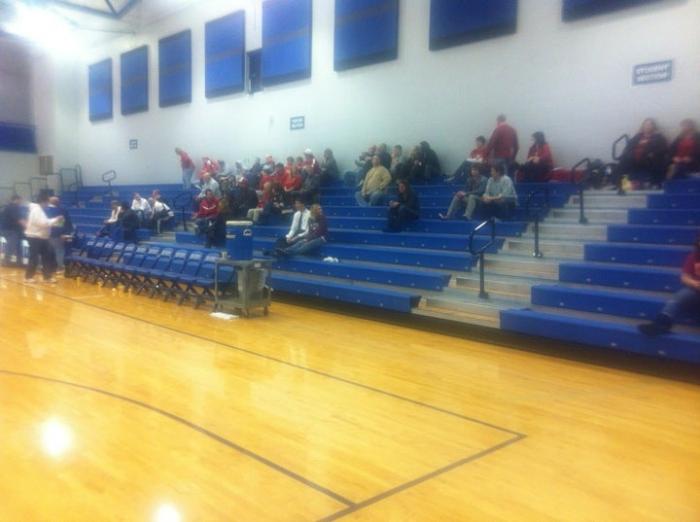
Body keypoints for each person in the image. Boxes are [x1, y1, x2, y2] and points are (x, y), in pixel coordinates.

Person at [639, 233, 700, 336]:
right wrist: (694, 283)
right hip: (696, 289)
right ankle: (661, 323)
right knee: (681, 296)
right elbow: (684, 277)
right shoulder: (694, 256)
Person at [24, 190, 63, 283]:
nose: (48, 204)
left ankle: (47, 277)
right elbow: (42, 223)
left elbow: (44, 223)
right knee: (34, 257)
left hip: (42, 237)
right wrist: (55, 220)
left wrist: (54, 222)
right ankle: (28, 277)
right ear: (43, 202)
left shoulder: (39, 210)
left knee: (46, 257)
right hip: (35, 237)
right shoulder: (36, 210)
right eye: (47, 202)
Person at [618, 118, 668, 188]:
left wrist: (652, 153)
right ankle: (624, 184)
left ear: (653, 126)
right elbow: (629, 146)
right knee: (623, 161)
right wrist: (627, 154)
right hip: (633, 158)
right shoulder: (638, 136)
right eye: (646, 124)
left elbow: (663, 148)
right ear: (643, 126)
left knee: (656, 162)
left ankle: (652, 184)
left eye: (650, 125)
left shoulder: (658, 137)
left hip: (648, 158)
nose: (647, 126)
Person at [46, 196, 73, 270]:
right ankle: (60, 267)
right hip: (58, 234)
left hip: (47, 234)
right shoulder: (63, 210)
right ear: (58, 202)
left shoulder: (45, 210)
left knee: (47, 251)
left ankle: (47, 266)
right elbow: (68, 223)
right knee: (59, 251)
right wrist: (67, 233)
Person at [1, 195, 25, 267]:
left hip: (8, 229)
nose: (21, 202)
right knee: (11, 245)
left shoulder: (7, 207)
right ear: (16, 200)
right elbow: (18, 219)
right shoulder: (14, 207)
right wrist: (26, 226)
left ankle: (18, 262)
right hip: (12, 230)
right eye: (20, 200)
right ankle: (6, 261)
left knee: (17, 246)